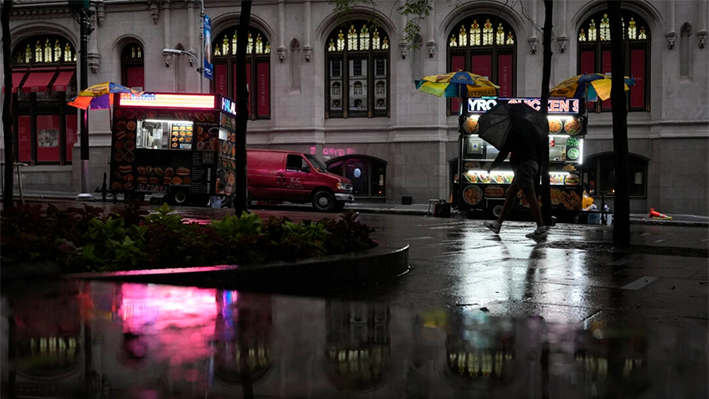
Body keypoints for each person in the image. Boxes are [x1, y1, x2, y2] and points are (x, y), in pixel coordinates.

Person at [483, 119, 549, 239]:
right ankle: (497, 224)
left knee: (530, 196)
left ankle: (541, 228)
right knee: (510, 193)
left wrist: (493, 166)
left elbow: (504, 151)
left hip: (523, 166)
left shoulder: (515, 131)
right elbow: (540, 148)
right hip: (532, 164)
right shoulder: (531, 129)